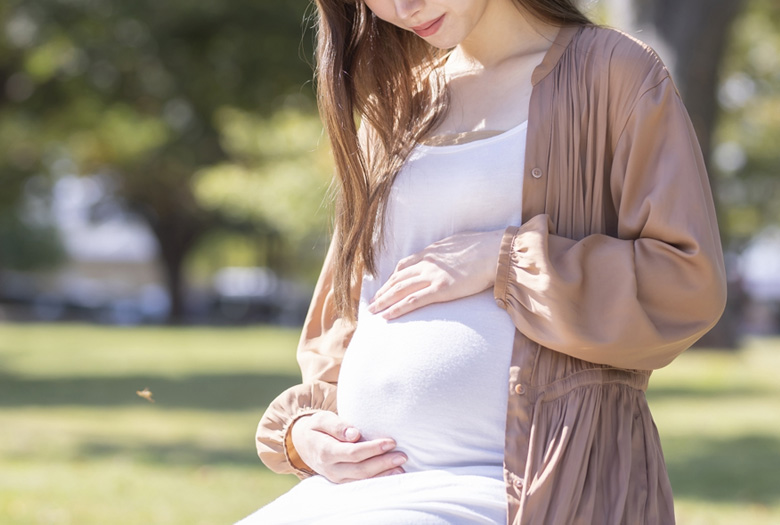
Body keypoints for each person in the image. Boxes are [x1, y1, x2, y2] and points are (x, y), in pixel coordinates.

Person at [238, 0, 727, 523]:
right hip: (362, 488)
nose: (403, 8)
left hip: (517, 487)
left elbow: (686, 281)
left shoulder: (613, 73)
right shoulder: (397, 104)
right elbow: (346, 312)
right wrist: (308, 429)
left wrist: (507, 259)